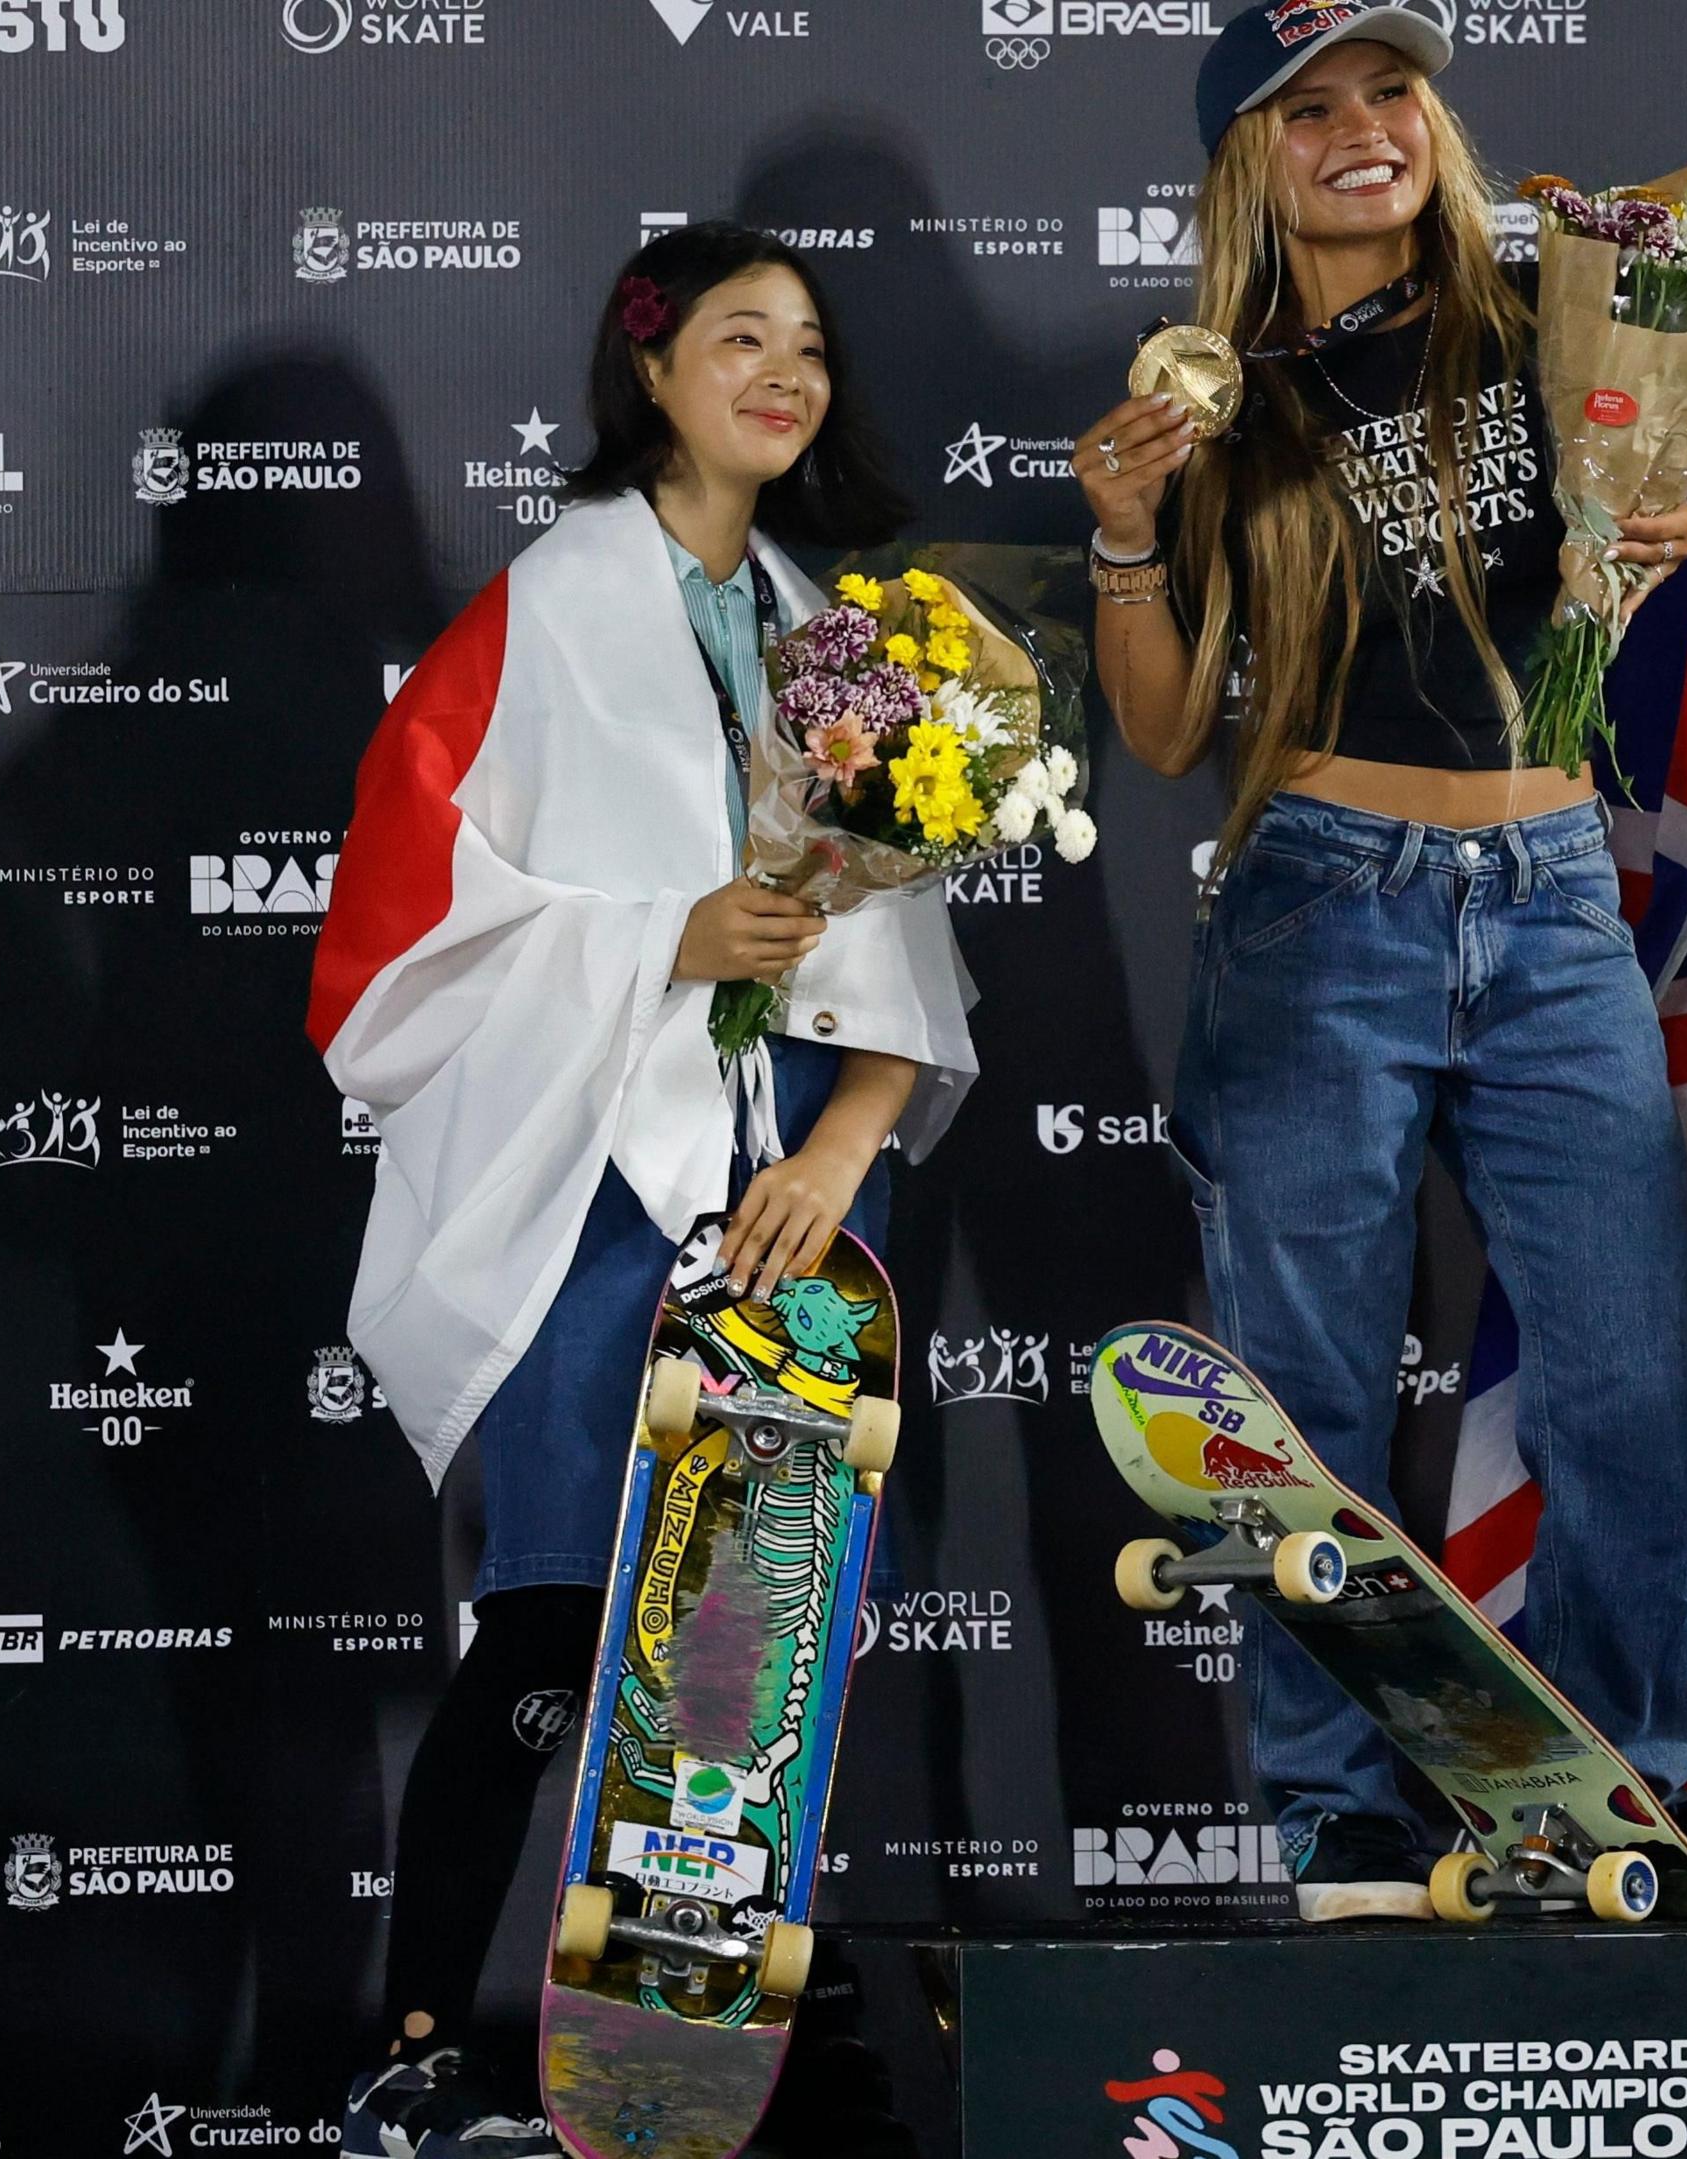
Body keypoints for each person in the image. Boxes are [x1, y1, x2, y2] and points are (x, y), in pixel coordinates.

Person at [308, 222, 975, 2155]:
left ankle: (728, 2048)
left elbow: (902, 963)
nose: (785, 373)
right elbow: (386, 941)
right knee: (555, 1621)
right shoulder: (536, 619)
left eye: (811, 346)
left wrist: (842, 1154)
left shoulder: (832, 638)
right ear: (655, 373)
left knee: (746, 1656)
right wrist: (658, 940)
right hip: (589, 1191)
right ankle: (418, 2053)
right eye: (739, 338)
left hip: (775, 1205)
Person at [1070, 0, 1687, 1920]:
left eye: (1390, 91)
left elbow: (1656, 485)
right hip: (1318, 909)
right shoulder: (1206, 397)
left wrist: (1657, 509)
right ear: (1246, 162)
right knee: (1304, 1418)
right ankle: (1339, 1814)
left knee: (1625, 1380)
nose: (1362, 128)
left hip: (1547, 891)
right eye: (1308, 109)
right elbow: (1174, 731)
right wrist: (1127, 533)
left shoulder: (1558, 322)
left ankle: (1620, 1797)